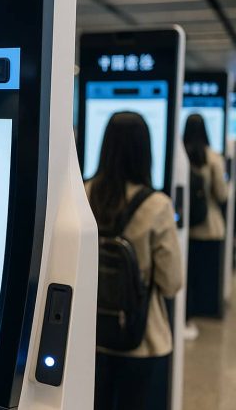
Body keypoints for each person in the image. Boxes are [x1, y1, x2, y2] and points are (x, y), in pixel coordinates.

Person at [86, 112, 183, 410]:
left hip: (90, 334)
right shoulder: (157, 206)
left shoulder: (84, 193)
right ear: (145, 151)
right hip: (140, 339)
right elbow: (171, 283)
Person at [184, 113, 228, 321]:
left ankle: (187, 313)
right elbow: (222, 193)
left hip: (185, 228)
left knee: (188, 276)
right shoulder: (213, 158)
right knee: (205, 278)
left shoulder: (180, 156)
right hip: (209, 228)